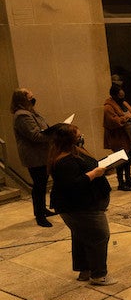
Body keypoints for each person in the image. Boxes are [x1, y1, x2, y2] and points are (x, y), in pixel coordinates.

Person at [49, 124, 115, 285]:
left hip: (85, 205)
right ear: (69, 140)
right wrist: (94, 173)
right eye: (78, 136)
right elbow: (73, 185)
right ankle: (99, 275)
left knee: (81, 236)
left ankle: (85, 270)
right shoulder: (64, 161)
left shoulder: (74, 152)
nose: (81, 138)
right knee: (100, 236)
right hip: (80, 207)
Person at [11, 88, 54, 227]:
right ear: (23, 99)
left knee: (42, 184)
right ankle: (40, 216)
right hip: (35, 156)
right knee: (39, 185)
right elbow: (35, 136)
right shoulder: (22, 115)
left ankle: (42, 209)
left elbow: (43, 128)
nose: (33, 97)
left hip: (42, 154)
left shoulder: (31, 113)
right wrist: (55, 134)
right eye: (30, 96)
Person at [103, 84, 131, 192]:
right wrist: (127, 117)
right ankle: (121, 182)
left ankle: (128, 179)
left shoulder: (123, 103)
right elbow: (113, 122)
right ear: (114, 96)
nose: (122, 98)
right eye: (120, 96)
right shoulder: (108, 107)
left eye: (123, 95)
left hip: (129, 135)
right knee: (121, 161)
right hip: (118, 137)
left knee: (129, 159)